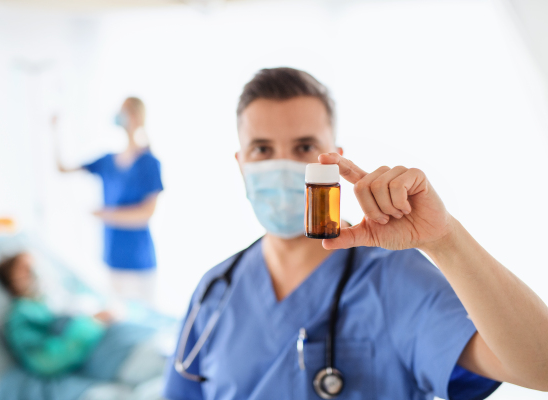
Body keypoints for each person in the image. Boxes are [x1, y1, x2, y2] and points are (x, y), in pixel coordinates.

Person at [162, 68, 548, 400]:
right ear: (241, 163)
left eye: (304, 147)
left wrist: (445, 240)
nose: (282, 165)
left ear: (334, 158)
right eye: (262, 149)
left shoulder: (395, 279)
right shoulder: (216, 290)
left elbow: (541, 368)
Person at [53, 97, 163, 304]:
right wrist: (55, 132)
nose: (119, 116)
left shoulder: (149, 163)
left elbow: (145, 214)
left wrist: (105, 214)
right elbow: (62, 168)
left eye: (125, 112)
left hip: (139, 262)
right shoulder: (107, 161)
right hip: (112, 258)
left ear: (136, 117)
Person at [0, 252, 164, 382]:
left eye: (34, 264)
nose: (35, 271)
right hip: (121, 355)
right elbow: (45, 361)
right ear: (13, 282)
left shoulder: (53, 297)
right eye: (26, 269)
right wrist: (93, 322)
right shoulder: (22, 314)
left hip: (139, 334)